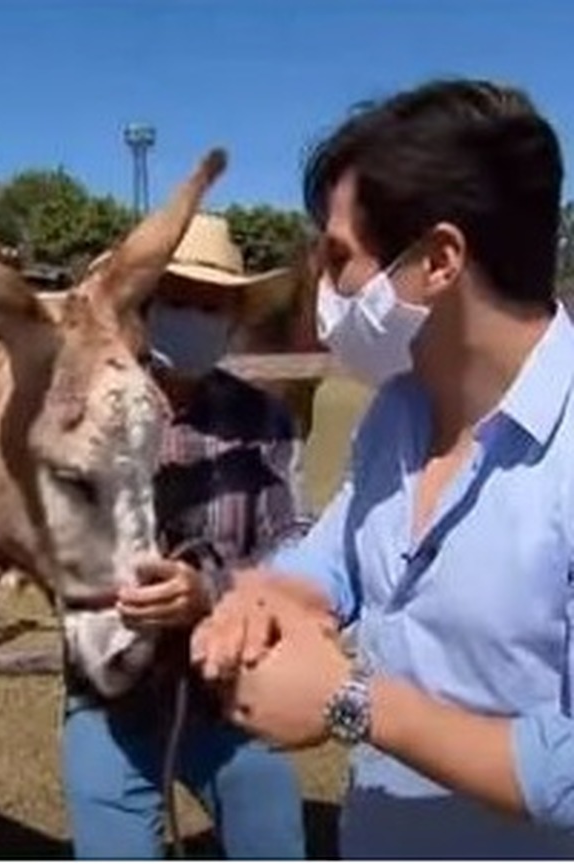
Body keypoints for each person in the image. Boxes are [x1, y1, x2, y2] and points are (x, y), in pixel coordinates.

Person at [191, 78, 574, 857]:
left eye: (339, 260)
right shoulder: (397, 413)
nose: (324, 292)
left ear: (438, 260)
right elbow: (336, 559)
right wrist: (264, 597)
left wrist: (351, 705)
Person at [60, 212, 309, 859]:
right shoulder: (86, 414)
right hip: (109, 702)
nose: (195, 315)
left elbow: (293, 543)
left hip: (224, 693)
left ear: (232, 319)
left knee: (273, 828)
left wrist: (214, 591)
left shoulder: (264, 420)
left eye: (212, 304)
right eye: (177, 300)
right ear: (144, 305)